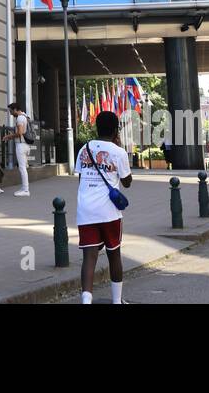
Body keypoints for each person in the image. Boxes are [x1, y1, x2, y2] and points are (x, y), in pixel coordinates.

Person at [74, 110, 132, 305]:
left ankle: (86, 300)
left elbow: (81, 178)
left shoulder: (84, 149)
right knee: (114, 254)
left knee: (89, 257)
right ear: (116, 130)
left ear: (96, 127)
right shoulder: (118, 152)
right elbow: (127, 182)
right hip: (109, 213)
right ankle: (117, 300)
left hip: (86, 210)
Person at [6, 101, 31, 196]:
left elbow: (20, 133)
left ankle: (25, 190)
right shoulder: (25, 116)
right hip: (26, 144)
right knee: (23, 167)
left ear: (15, 109)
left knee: (22, 168)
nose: (10, 113)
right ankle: (25, 188)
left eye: (11, 111)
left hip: (21, 145)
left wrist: (9, 137)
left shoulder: (20, 118)